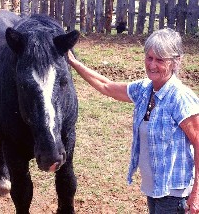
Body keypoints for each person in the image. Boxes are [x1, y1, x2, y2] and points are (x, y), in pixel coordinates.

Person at [68, 28, 199, 214]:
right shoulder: (145, 89)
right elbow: (107, 86)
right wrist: (74, 63)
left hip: (175, 194)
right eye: (149, 57)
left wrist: (197, 195)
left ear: (175, 62)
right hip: (155, 189)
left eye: (160, 60)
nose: (152, 65)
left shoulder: (180, 98)